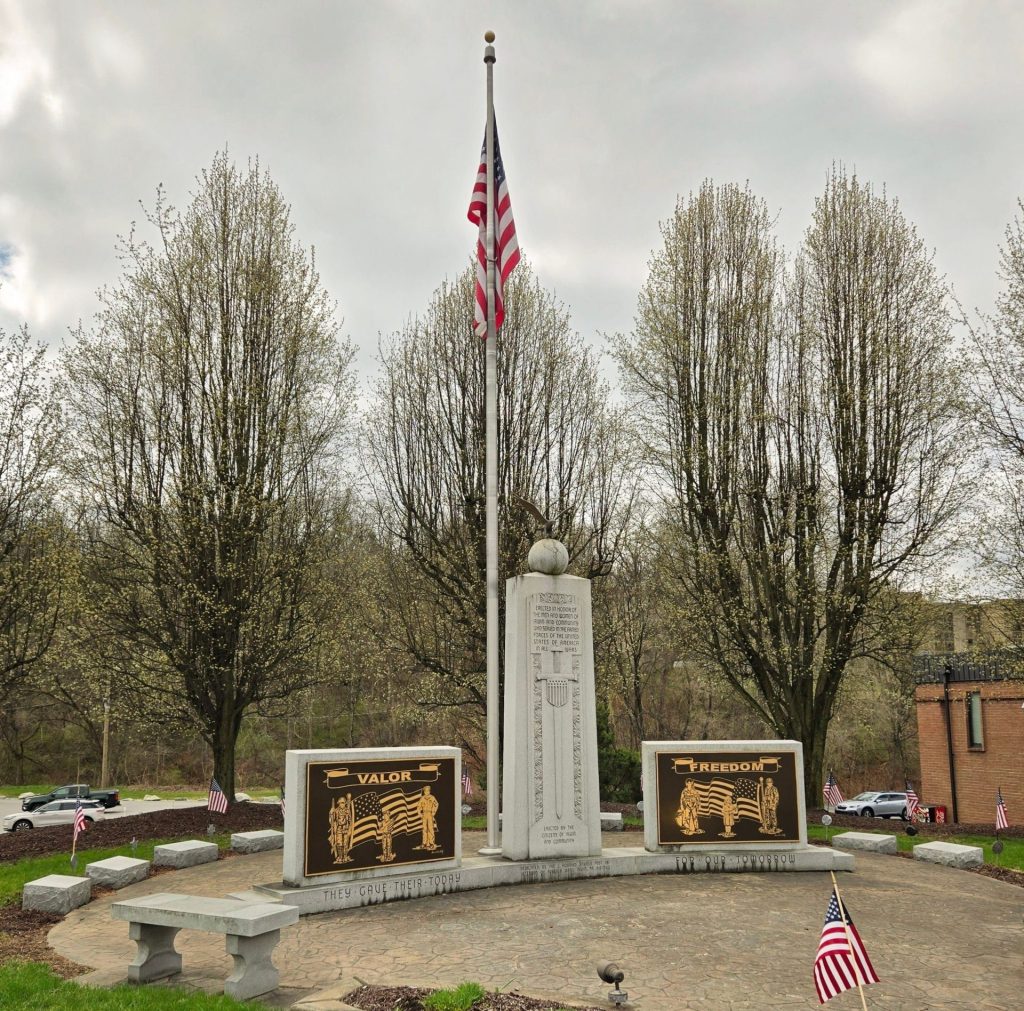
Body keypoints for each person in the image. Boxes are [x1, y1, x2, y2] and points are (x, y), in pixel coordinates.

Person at [328, 792, 355, 863]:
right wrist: (330, 813)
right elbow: (331, 821)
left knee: (345, 843)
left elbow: (350, 821)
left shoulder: (347, 810)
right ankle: (340, 857)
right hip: (339, 829)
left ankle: (345, 856)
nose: (342, 804)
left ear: (345, 803)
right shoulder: (336, 811)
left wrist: (350, 829)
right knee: (339, 843)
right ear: (338, 803)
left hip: (346, 828)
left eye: (343, 803)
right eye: (340, 803)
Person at [416, 785, 440, 851]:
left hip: (430, 814)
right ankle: (424, 843)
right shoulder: (422, 798)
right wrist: (419, 813)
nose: (427, 792)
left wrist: (433, 812)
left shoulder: (432, 798)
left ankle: (431, 843)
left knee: (430, 828)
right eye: (425, 791)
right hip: (424, 814)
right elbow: (418, 806)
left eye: (428, 791)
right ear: (424, 792)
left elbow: (436, 804)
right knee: (424, 829)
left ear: (429, 791)